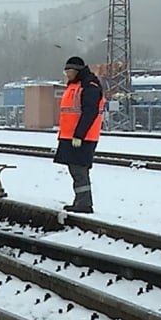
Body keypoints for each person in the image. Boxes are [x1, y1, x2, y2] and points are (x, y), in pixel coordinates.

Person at [55, 56, 104, 213]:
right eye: (66, 71)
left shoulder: (89, 86)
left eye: (69, 71)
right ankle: (80, 202)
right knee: (75, 169)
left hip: (82, 137)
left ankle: (84, 204)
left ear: (77, 71)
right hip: (71, 136)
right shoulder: (76, 85)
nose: (67, 74)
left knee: (79, 170)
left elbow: (90, 112)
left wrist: (79, 135)